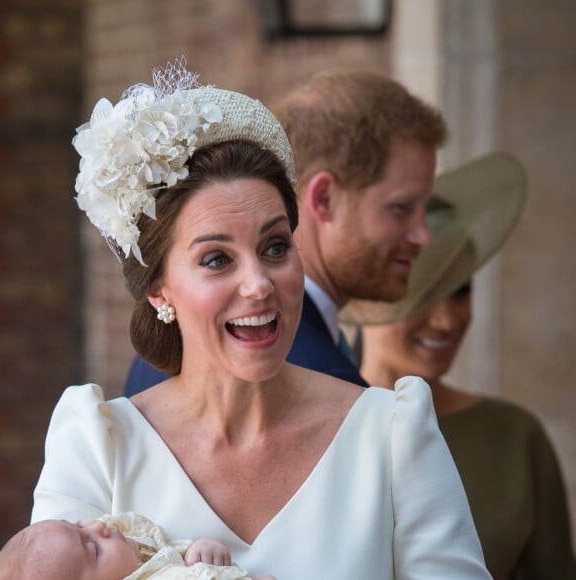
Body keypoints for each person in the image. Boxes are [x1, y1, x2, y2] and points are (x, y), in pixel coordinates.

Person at [30, 59, 491, 578]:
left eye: (275, 247)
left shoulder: (393, 434)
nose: (259, 284)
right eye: (216, 259)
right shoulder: (97, 444)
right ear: (160, 290)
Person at [124, 67, 448, 394]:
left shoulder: (180, 341)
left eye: (277, 247)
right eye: (401, 208)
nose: (424, 236)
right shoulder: (319, 378)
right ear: (324, 198)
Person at [342, 153, 576, 579]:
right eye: (426, 293)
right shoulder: (319, 427)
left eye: (460, 291)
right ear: (366, 295)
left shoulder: (516, 438)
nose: (447, 320)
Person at [0, 512, 274, 579]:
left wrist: (198, 554)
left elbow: (169, 554)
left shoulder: (144, 555)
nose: (98, 527)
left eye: (79, 525)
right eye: (92, 547)